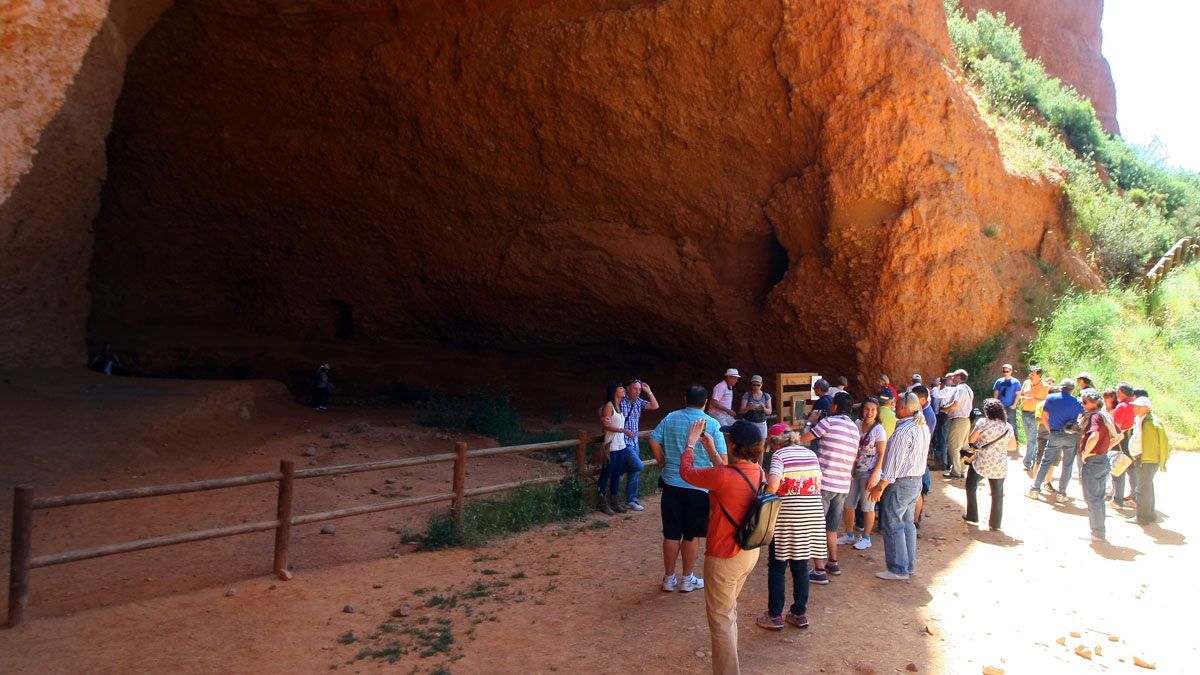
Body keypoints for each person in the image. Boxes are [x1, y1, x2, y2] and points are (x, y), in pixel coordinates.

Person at [679, 419, 763, 675]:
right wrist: (713, 451)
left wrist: (691, 444)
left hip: (725, 555)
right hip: (748, 551)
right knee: (728, 613)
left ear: (734, 446)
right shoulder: (757, 470)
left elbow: (686, 473)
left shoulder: (724, 477)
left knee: (721, 621)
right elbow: (730, 475)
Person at [649, 385, 728, 593]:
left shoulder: (670, 418)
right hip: (699, 487)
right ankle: (687, 579)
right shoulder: (712, 424)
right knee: (691, 535)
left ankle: (668, 578)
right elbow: (724, 461)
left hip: (671, 484)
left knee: (671, 533)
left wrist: (662, 461)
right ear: (706, 402)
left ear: (685, 399)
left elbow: (653, 439)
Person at [756, 423, 825, 632]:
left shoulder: (780, 456)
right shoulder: (810, 454)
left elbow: (773, 486)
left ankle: (774, 615)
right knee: (800, 564)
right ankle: (799, 613)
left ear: (775, 442)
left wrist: (763, 493)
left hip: (787, 517)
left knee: (778, 565)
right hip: (811, 516)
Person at [869, 393, 931, 580]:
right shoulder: (922, 426)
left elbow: (893, 465)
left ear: (903, 408)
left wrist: (880, 486)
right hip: (915, 480)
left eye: (897, 405)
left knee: (893, 523)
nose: (895, 407)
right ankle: (908, 565)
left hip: (901, 483)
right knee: (907, 523)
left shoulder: (903, 431)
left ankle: (898, 568)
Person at [799, 391, 857, 584]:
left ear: (834, 406)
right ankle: (833, 562)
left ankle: (819, 570)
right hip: (842, 485)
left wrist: (810, 422)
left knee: (816, 527)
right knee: (831, 527)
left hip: (824, 483)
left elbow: (803, 439)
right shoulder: (853, 427)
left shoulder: (828, 422)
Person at [838, 397, 887, 550]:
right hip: (854, 470)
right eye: (867, 409)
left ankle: (866, 537)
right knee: (848, 504)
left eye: (873, 410)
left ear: (877, 412)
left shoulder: (879, 430)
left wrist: (875, 474)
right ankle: (849, 534)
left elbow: (881, 454)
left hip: (869, 472)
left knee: (867, 506)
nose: (869, 412)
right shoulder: (857, 424)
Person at [963, 399, 1016, 531]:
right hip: (999, 465)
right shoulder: (1008, 427)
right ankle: (995, 523)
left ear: (987, 412)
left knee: (971, 486)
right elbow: (1012, 447)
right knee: (997, 494)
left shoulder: (983, 422)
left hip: (981, 461)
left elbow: (971, 440)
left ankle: (972, 515)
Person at [1028, 380, 1083, 501]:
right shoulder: (1077, 401)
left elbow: (1044, 417)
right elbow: (1081, 416)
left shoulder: (1051, 398)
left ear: (1061, 387)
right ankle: (1061, 493)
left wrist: (1050, 430)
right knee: (1067, 465)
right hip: (1070, 436)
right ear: (1073, 390)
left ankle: (1035, 489)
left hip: (1055, 433)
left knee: (1045, 462)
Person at [1077, 389, 1113, 541]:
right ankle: (1099, 531)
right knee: (1098, 499)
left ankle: (1097, 533)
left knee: (1092, 499)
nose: (1083, 404)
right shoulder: (1105, 415)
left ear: (1095, 402)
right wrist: (1105, 448)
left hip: (1093, 462)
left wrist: (1086, 453)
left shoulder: (1095, 417)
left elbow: (1094, 435)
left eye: (1085, 402)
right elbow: (1119, 436)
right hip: (1102, 459)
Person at [619, 379, 659, 511]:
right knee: (638, 465)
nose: (637, 392)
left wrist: (649, 391)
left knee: (635, 471)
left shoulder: (638, 402)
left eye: (639, 390)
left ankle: (631, 500)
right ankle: (618, 471)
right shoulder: (620, 400)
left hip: (634, 441)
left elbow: (655, 406)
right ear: (628, 388)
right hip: (623, 440)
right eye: (635, 388)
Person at [1130, 396, 1170, 525]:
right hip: (1142, 459)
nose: (1135, 408)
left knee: (1142, 489)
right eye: (1135, 406)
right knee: (1147, 487)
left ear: (1147, 408)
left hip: (1147, 460)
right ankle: (1150, 515)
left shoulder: (1152, 423)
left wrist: (1162, 461)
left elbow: (1163, 442)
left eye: (1139, 406)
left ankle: (1142, 518)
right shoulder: (1141, 420)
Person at [597, 382, 635, 515]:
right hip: (611, 445)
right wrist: (623, 430)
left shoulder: (618, 405)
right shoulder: (609, 406)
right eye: (621, 388)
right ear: (614, 391)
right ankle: (602, 502)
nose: (624, 389)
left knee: (616, 474)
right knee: (606, 473)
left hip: (621, 445)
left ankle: (615, 501)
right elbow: (606, 426)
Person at [1108, 382, 1138, 509]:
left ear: (1120, 392)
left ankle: (1117, 500)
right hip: (1133, 440)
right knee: (1132, 469)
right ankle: (1134, 497)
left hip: (1121, 440)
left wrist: (1109, 443)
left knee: (1118, 469)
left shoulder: (1122, 406)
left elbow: (1117, 429)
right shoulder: (1136, 404)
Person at [941, 369, 974, 478]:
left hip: (958, 420)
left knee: (953, 446)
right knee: (964, 447)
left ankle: (956, 471)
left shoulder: (960, 388)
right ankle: (962, 470)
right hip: (966, 420)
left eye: (954, 376)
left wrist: (945, 409)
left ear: (959, 376)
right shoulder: (968, 389)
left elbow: (955, 404)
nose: (952, 378)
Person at [912, 385, 937, 527]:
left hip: (920, 456)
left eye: (914, 398)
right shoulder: (924, 412)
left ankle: (916, 518)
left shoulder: (928, 415)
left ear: (922, 400)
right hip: (921, 455)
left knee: (920, 487)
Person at [1018, 367, 1049, 470]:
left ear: (1039, 375)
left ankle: (1028, 462)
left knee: (1032, 438)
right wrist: (1023, 399)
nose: (1030, 376)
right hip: (1025, 413)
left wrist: (1034, 399)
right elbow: (1021, 395)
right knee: (1029, 438)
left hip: (1036, 414)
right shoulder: (1026, 383)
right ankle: (1034, 459)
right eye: (1030, 374)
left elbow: (1048, 401)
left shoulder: (1046, 386)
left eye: (1033, 374)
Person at [992, 364, 1022, 442]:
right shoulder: (999, 381)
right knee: (1000, 423)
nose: (1005, 373)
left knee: (1012, 424)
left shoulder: (1015, 382)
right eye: (1004, 371)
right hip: (1000, 406)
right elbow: (996, 393)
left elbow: (1018, 394)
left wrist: (1014, 404)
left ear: (1011, 371)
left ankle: (1015, 442)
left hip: (1010, 406)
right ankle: (1000, 440)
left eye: (1007, 371)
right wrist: (995, 404)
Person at [739, 375, 773, 439]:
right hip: (749, 422)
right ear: (751, 385)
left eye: (758, 385)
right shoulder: (747, 395)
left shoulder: (766, 396)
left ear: (761, 384)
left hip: (761, 422)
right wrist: (749, 408)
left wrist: (764, 408)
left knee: (762, 440)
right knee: (749, 440)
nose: (756, 387)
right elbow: (741, 411)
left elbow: (769, 412)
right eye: (754, 385)